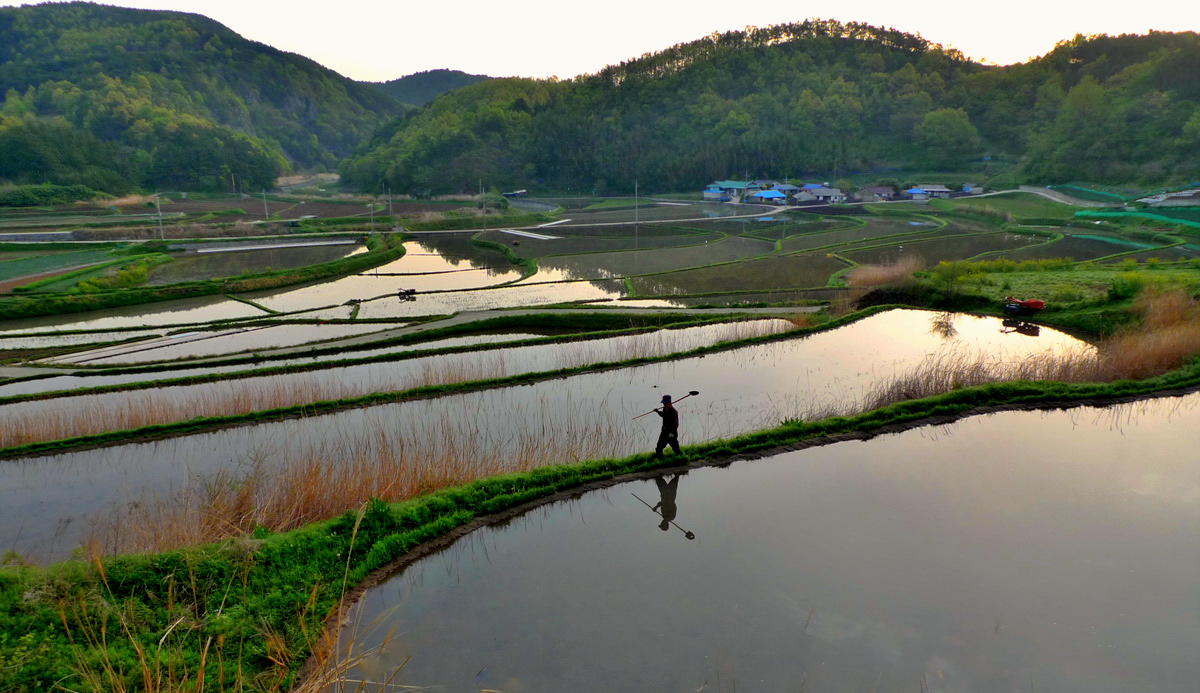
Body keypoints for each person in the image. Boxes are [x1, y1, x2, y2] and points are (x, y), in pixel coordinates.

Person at [653, 394, 681, 459]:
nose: (664, 404)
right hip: (664, 431)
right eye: (663, 403)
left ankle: (680, 458)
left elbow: (676, 424)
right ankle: (659, 458)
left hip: (671, 433)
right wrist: (657, 412)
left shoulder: (674, 412)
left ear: (670, 402)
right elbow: (664, 415)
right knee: (659, 446)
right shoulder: (664, 409)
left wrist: (672, 433)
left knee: (675, 447)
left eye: (665, 403)